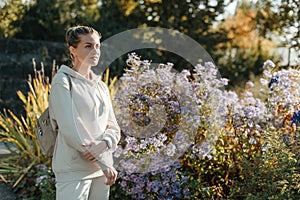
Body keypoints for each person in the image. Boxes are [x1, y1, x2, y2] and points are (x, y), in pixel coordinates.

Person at [49, 25, 120, 200]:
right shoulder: (63, 82)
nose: (95, 50)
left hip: (102, 171)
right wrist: (102, 162)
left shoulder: (101, 86)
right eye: (88, 46)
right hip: (74, 170)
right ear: (73, 50)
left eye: (97, 46)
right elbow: (70, 130)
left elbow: (113, 127)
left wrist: (105, 144)